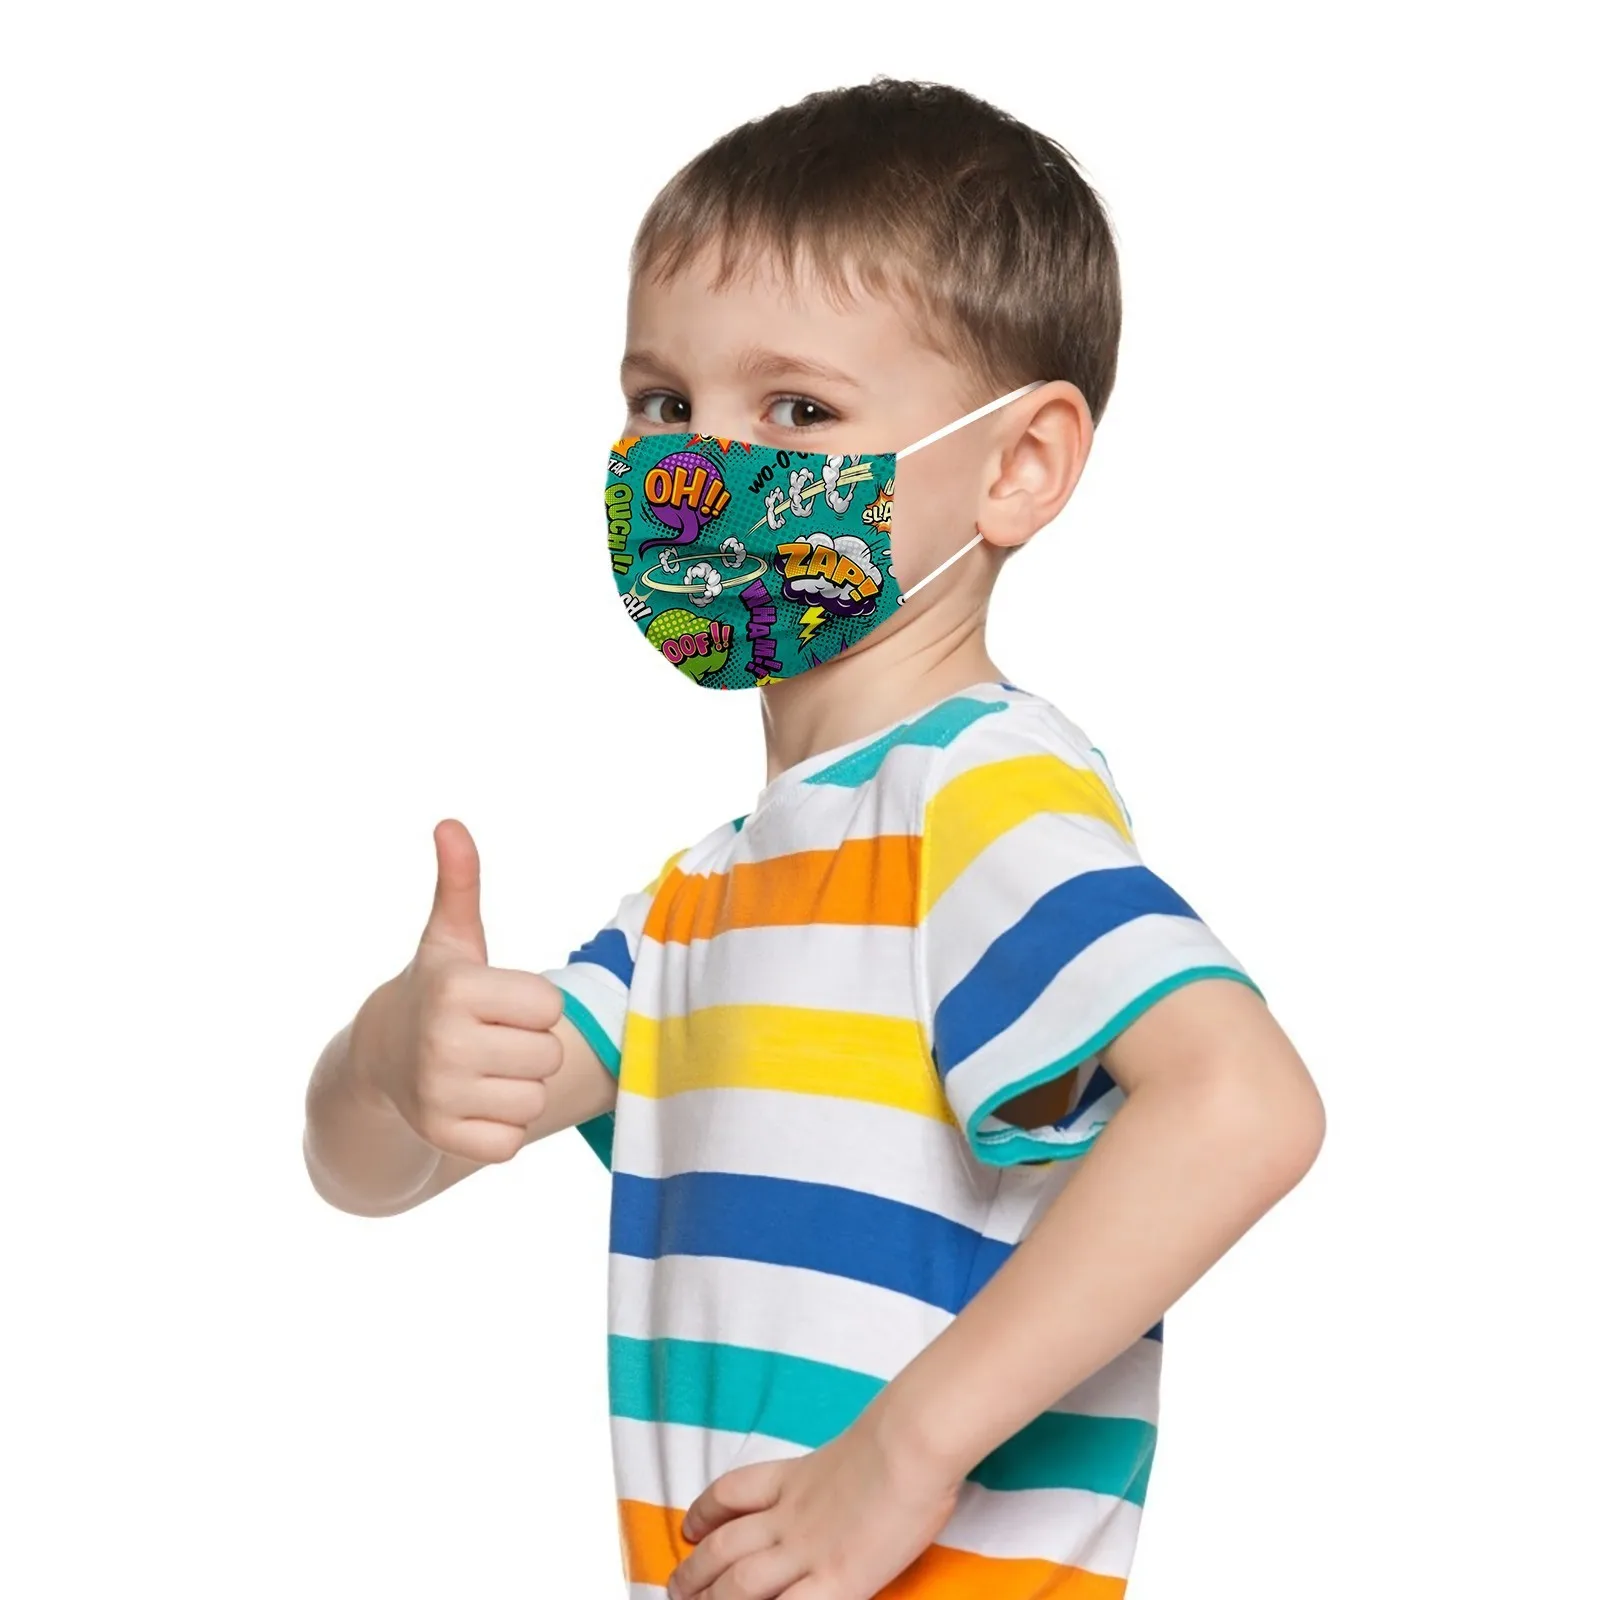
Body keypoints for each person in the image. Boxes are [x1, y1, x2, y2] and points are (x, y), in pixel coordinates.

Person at [303, 78, 1325, 1600]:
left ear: (1017, 465)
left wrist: (904, 1451)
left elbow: (1244, 1106)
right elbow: (375, 1174)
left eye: (797, 411)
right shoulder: (707, 896)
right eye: (665, 404)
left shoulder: (975, 797)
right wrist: (392, 1061)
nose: (698, 465)